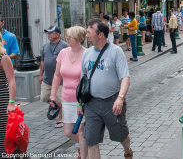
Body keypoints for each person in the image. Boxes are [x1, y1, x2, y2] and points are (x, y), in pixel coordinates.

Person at [80, 19, 132, 158]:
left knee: (121, 135)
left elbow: (125, 78)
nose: (86, 35)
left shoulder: (116, 52)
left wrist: (120, 98)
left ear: (100, 34)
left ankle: (127, 150)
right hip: (92, 104)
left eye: (89, 32)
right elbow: (83, 81)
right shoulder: (87, 53)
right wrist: (80, 103)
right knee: (91, 140)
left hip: (113, 102)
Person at [50, 26, 88, 158]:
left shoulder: (87, 54)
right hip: (66, 98)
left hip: (81, 100)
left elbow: (88, 80)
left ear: (79, 39)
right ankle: (87, 145)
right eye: (67, 36)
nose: (67, 39)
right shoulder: (63, 53)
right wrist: (53, 95)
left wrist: (81, 102)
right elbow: (56, 76)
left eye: (70, 36)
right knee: (68, 132)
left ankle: (84, 154)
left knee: (82, 130)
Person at [39, 26, 68, 127]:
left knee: (61, 100)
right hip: (47, 79)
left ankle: (61, 118)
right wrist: (40, 74)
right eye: (48, 33)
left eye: (51, 33)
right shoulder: (45, 46)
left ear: (57, 34)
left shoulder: (64, 46)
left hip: (60, 80)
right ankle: (54, 105)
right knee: (44, 97)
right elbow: (42, 61)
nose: (49, 35)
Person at [0, 32, 16, 154]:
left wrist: (11, 102)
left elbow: (11, 81)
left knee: (4, 133)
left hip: (2, 98)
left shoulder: (3, 57)